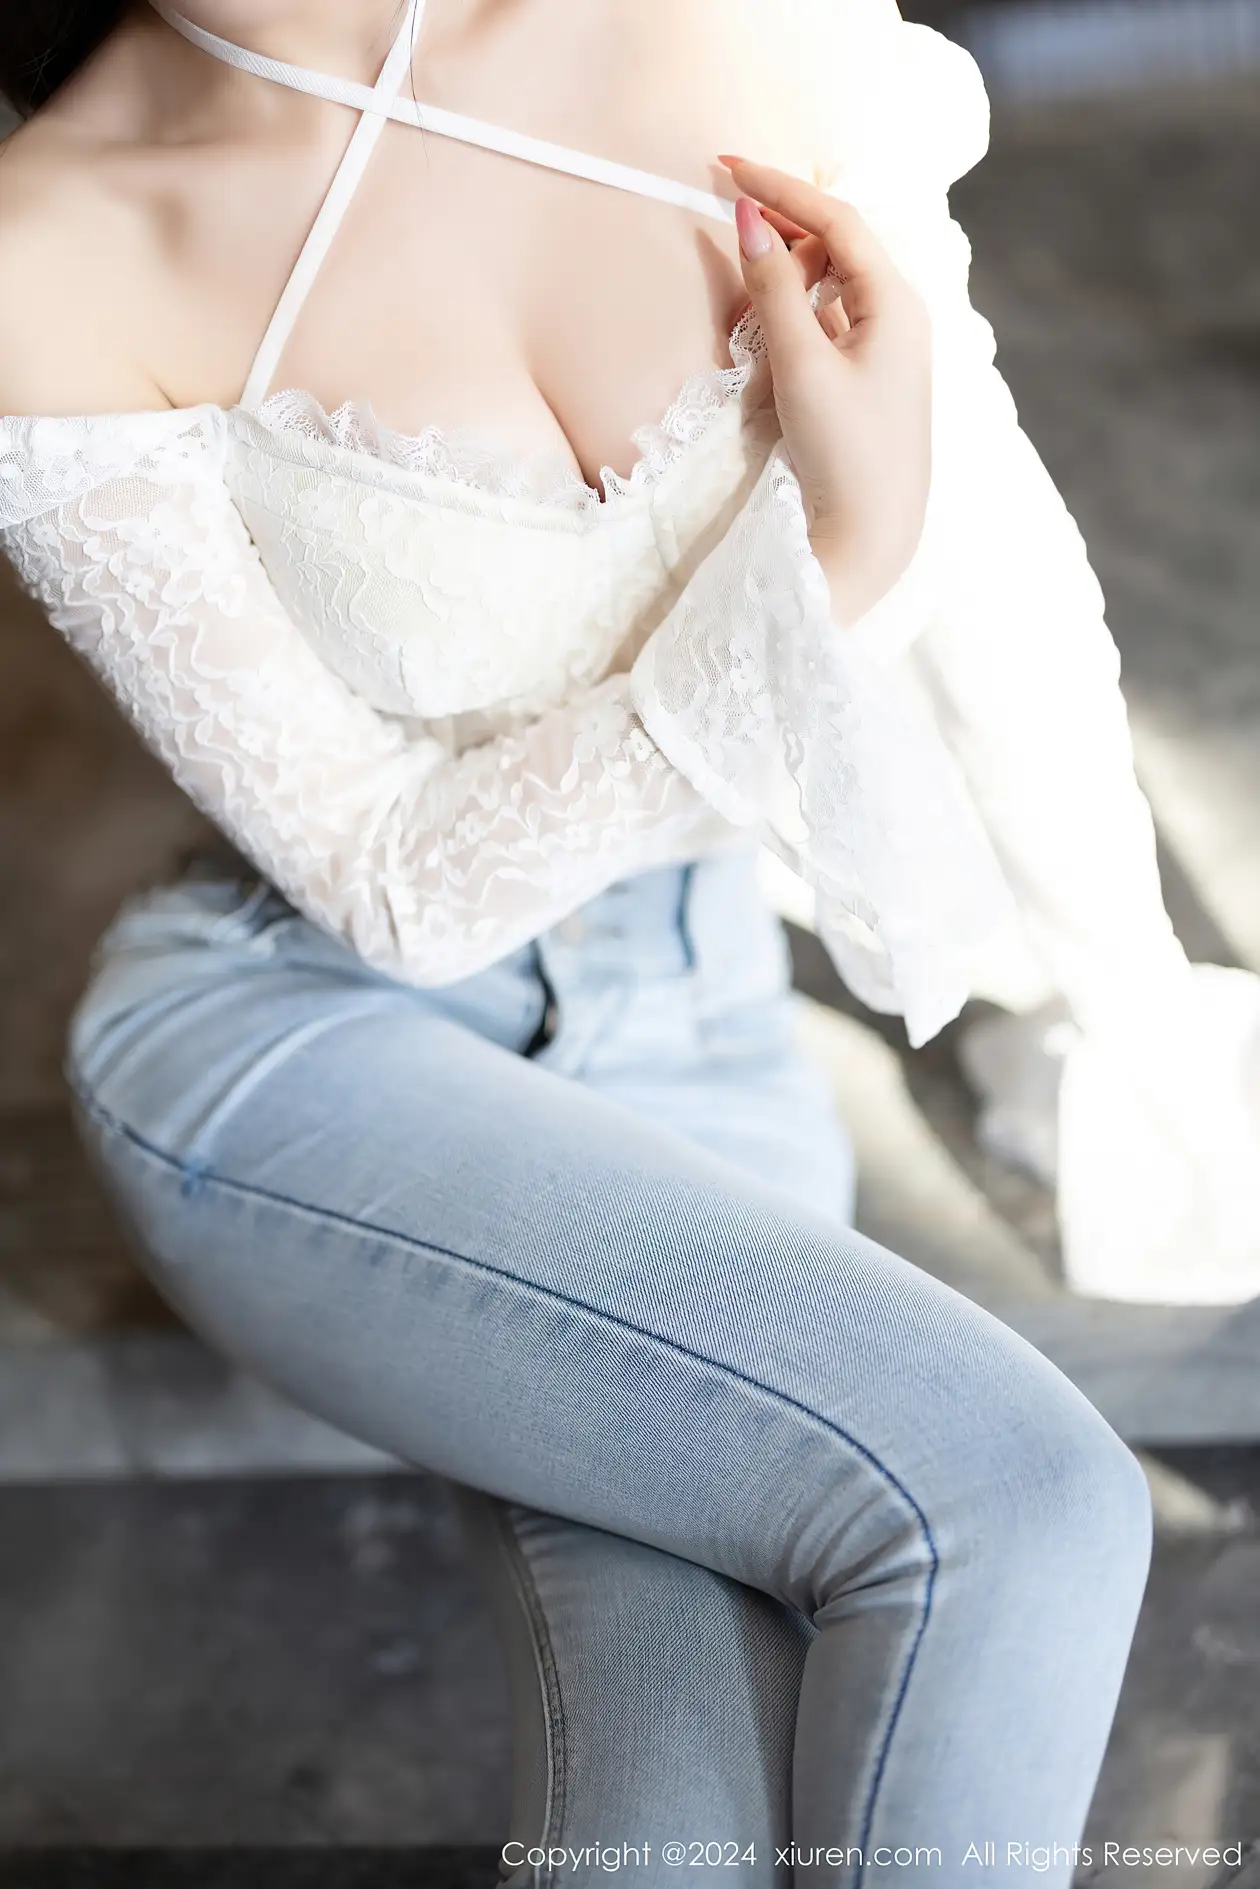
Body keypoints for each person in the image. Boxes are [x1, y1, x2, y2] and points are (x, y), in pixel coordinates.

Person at [0, 2, 1156, 1883]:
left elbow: (1005, 589)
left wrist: (1128, 1006)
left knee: (676, 1822)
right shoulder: (48, 246)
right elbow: (394, 886)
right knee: (1021, 1509)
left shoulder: (722, 22)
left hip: (702, 1024)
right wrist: (831, 574)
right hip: (311, 1045)